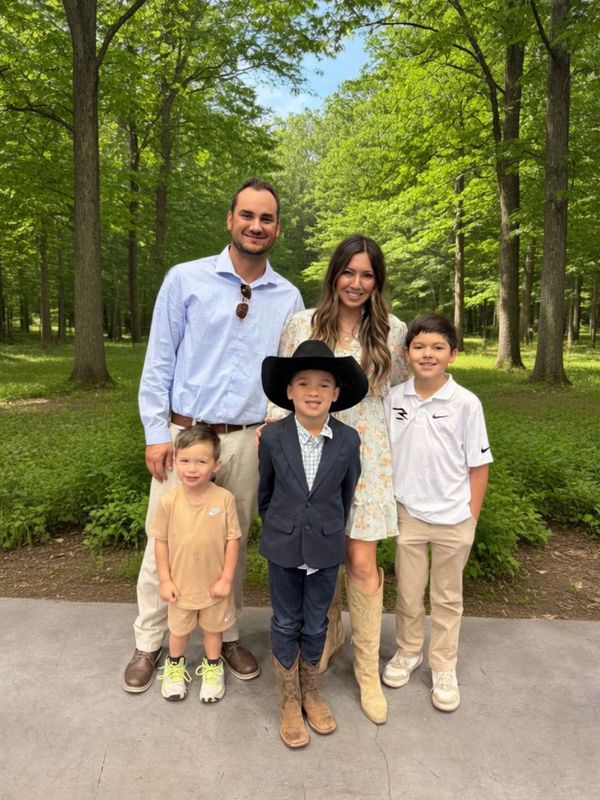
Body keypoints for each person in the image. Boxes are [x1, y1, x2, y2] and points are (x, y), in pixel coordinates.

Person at [123, 178, 304, 693]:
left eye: (266, 218)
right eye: (247, 215)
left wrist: (276, 428)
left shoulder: (288, 296)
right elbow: (160, 359)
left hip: (248, 440)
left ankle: (223, 635)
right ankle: (150, 641)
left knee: (232, 543)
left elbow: (287, 374)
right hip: (186, 437)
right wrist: (156, 432)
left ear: (277, 229)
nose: (256, 226)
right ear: (230, 219)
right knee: (165, 539)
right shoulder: (186, 279)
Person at [267, 234, 408, 724]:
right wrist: (273, 436)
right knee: (317, 548)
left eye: (367, 274)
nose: (356, 282)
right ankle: (326, 636)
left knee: (361, 559)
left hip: (367, 450)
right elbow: (284, 392)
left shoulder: (392, 330)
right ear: (334, 274)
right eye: (348, 272)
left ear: (377, 281)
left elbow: (402, 393)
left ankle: (367, 670)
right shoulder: (302, 324)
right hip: (310, 448)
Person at [259, 340, 367, 747]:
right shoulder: (273, 437)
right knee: (286, 620)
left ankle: (311, 691)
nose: (313, 391)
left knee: (317, 620)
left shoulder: (348, 440)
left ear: (336, 394)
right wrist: (283, 526)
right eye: (303, 383)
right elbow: (266, 494)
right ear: (289, 391)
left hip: (324, 544)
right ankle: (289, 698)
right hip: (283, 544)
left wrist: (324, 526)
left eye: (324, 384)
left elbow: (346, 493)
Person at [382, 314, 493, 711]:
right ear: (406, 353)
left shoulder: (466, 403)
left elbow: (479, 465)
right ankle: (408, 650)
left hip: (454, 517)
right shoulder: (394, 399)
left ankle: (444, 665)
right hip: (409, 513)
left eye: (437, 347)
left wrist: (470, 518)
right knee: (409, 593)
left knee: (447, 597)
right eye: (419, 347)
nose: (427, 354)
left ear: (453, 355)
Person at [152, 424, 240, 703]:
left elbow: (233, 540)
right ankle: (174, 668)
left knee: (213, 630)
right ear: (175, 462)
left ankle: (213, 669)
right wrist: (165, 580)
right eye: (185, 461)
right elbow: (160, 542)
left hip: (214, 586)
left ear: (216, 465)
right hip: (181, 586)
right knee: (178, 631)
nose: (192, 469)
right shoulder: (168, 501)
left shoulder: (224, 500)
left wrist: (226, 579)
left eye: (201, 462)